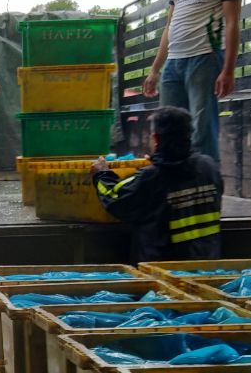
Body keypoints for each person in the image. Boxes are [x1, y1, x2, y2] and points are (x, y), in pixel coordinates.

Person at [142, 0, 245, 165]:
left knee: (201, 130)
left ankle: (207, 189)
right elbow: (169, 24)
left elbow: (232, 21)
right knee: (166, 128)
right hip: (174, 63)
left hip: (205, 58)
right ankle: (172, 190)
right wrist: (155, 69)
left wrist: (229, 69)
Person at [90, 106, 223, 262]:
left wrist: (101, 173)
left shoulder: (152, 177)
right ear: (189, 135)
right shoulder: (209, 167)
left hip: (162, 271)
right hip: (208, 265)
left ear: (156, 139)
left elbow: (114, 197)